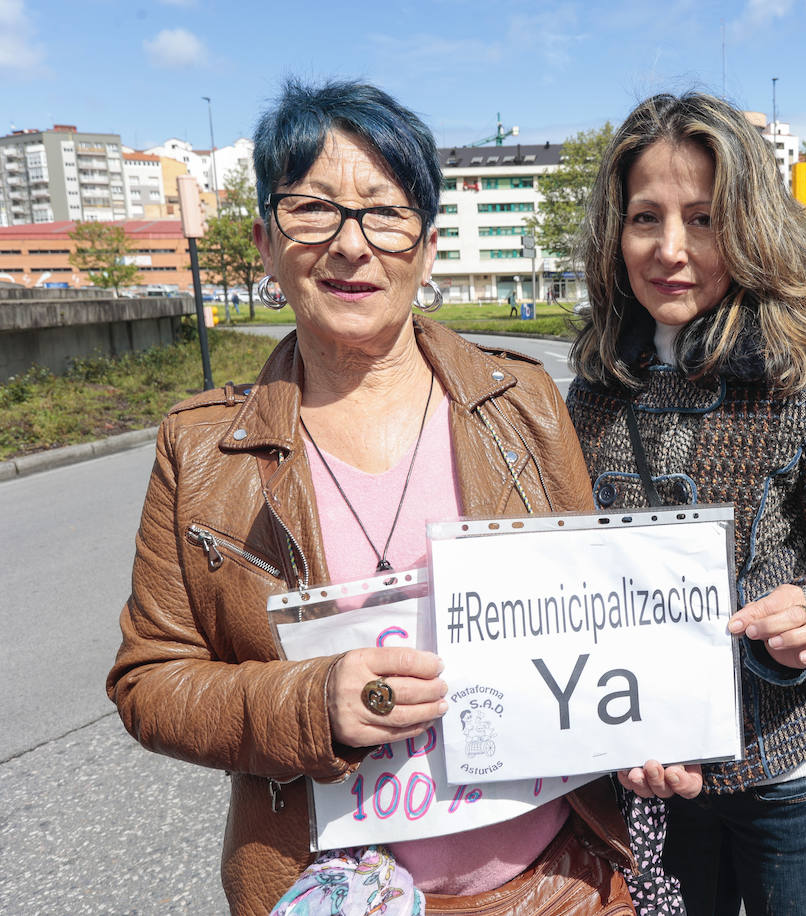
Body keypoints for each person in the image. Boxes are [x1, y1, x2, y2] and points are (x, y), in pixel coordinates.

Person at [106, 79, 635, 916]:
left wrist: (652, 737)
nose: (352, 245)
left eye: (384, 213)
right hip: (331, 892)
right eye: (313, 209)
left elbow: (600, 630)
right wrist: (312, 702)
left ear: (425, 248)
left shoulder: (526, 405)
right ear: (266, 242)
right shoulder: (200, 448)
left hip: (557, 883)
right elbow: (149, 680)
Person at [565, 92, 806, 916]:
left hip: (789, 770)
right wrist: (613, 732)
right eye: (646, 217)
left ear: (749, 224)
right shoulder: (591, 391)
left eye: (705, 218)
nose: (672, 249)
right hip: (657, 770)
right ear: (615, 234)